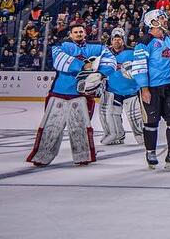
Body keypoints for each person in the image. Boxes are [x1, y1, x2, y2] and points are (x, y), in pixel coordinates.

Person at [26, 20, 109, 167]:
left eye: (81, 31)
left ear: (85, 33)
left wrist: (101, 73)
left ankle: (83, 156)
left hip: (81, 95)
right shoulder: (62, 45)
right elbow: (59, 60)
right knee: (51, 127)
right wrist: (84, 66)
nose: (78, 34)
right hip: (59, 92)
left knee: (81, 127)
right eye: (75, 32)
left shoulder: (96, 47)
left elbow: (109, 60)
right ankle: (41, 156)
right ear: (70, 34)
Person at [133, 8, 170, 169]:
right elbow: (140, 67)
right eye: (161, 18)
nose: (165, 20)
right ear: (153, 22)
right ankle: (150, 152)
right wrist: (144, 88)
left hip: (169, 86)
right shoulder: (144, 42)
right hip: (152, 89)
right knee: (151, 122)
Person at [98, 28, 143, 146]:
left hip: (132, 91)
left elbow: (142, 68)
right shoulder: (105, 53)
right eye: (114, 39)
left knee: (135, 116)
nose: (116, 41)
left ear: (123, 40)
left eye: (119, 39)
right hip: (112, 91)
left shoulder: (133, 52)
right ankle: (117, 136)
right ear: (111, 41)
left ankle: (141, 136)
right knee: (111, 115)